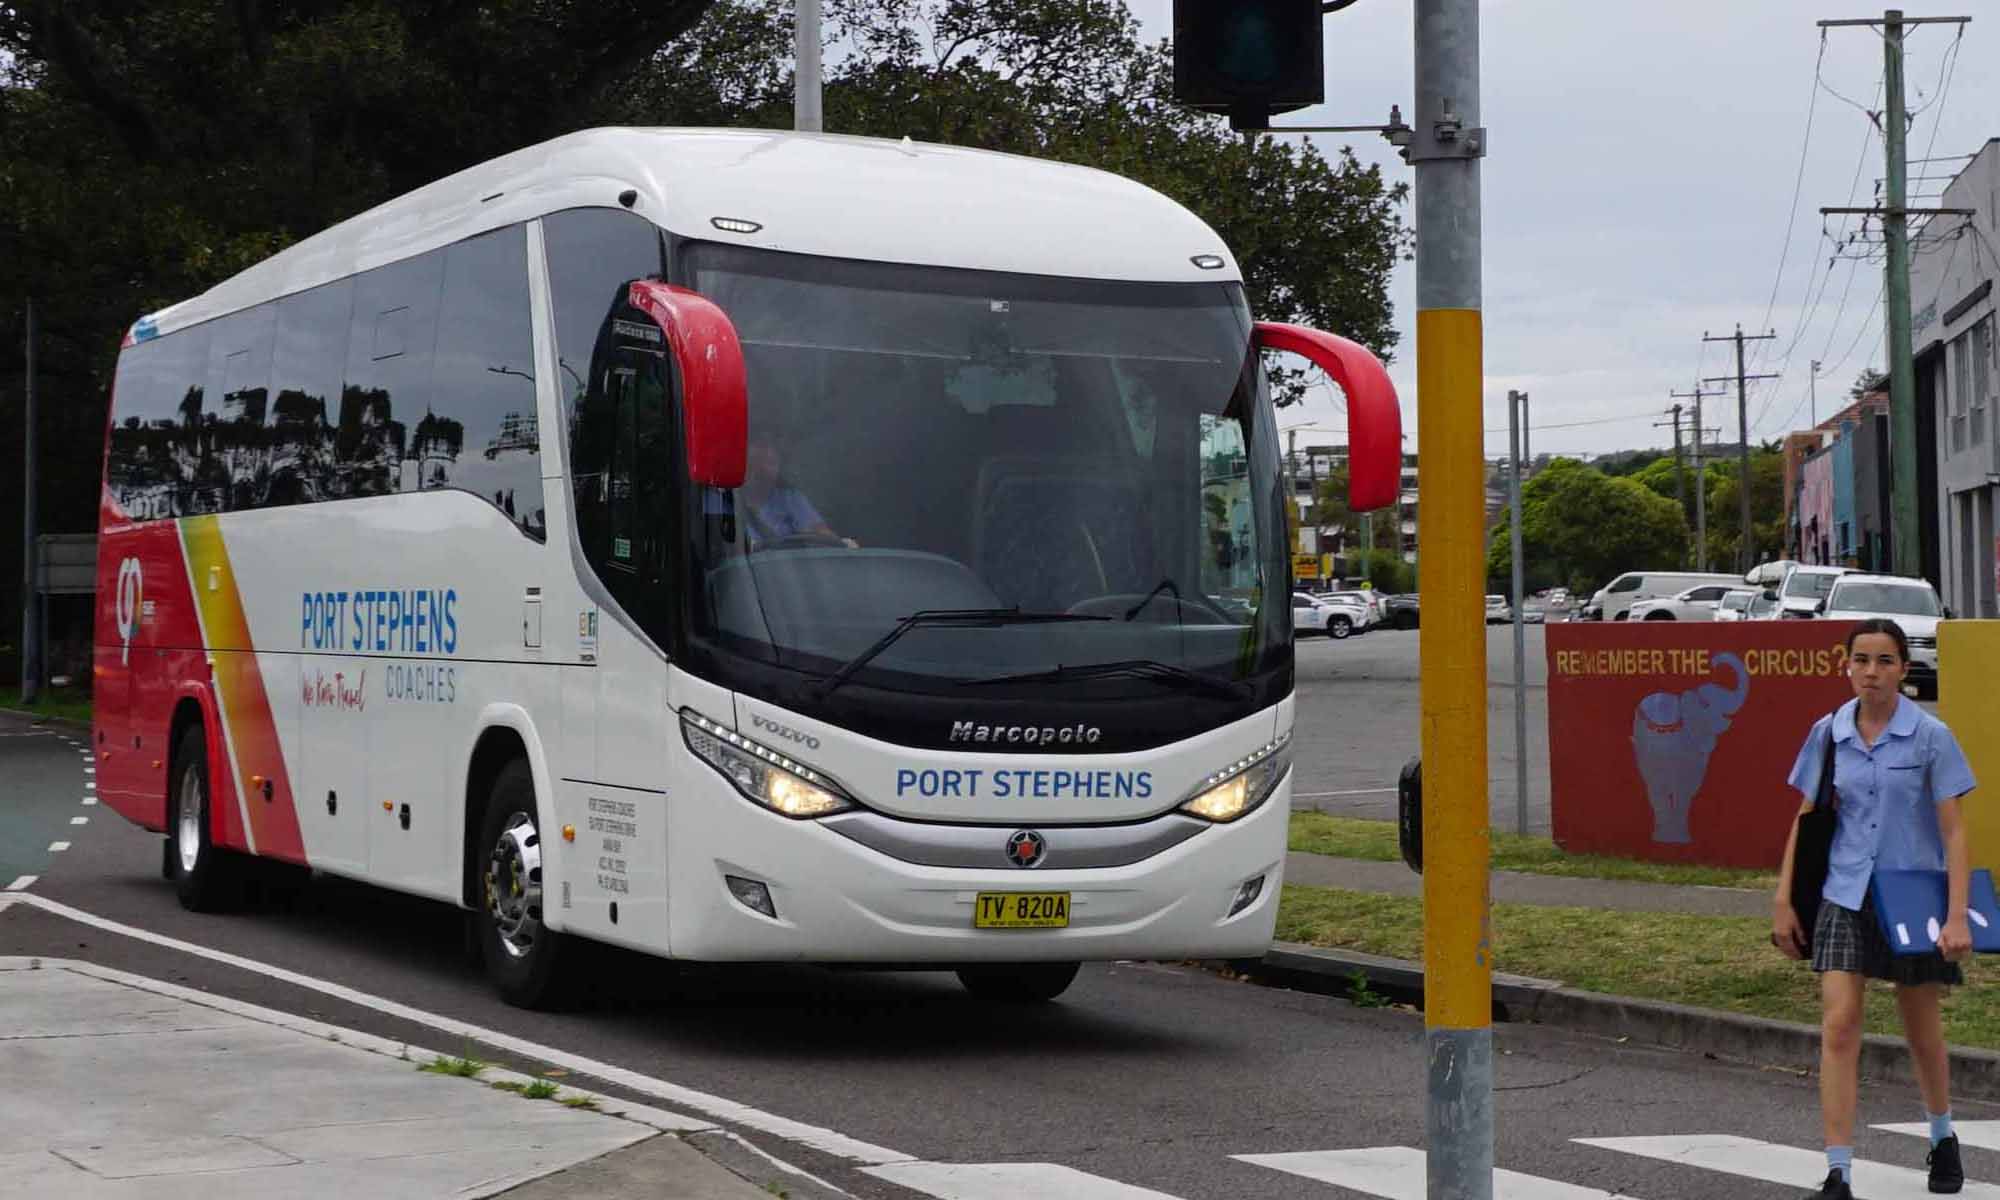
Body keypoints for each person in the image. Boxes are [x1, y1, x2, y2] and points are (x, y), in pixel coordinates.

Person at [1771, 617, 1978, 1199]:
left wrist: (1957, 914)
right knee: (1838, 1025)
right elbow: (1807, 820)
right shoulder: (1827, 733)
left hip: (1912, 897)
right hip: (1843, 893)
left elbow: (1955, 834)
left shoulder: (1930, 736)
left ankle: (1942, 1137)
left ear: (1903, 670)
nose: (1872, 671)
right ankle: (1838, 1169)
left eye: (1885, 660)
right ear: (1847, 665)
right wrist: (1785, 898)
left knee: (1921, 1029)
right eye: (1861, 659)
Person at [711, 432, 855, 551]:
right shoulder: (720, 499)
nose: (763, 471)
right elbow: (717, 548)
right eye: (756, 462)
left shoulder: (789, 499)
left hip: (789, 577)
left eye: (770, 462)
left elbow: (821, 534)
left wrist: (841, 545)